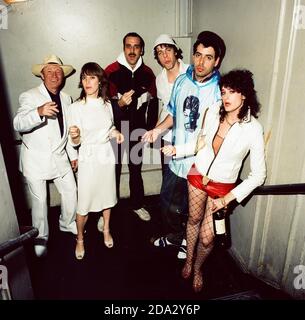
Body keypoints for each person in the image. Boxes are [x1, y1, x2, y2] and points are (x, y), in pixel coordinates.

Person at [162, 69, 267, 292]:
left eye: (233, 92)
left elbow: (258, 175)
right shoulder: (212, 111)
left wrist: (229, 198)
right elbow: (200, 144)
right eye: (223, 91)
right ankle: (188, 261)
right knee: (193, 220)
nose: (226, 97)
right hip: (198, 174)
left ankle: (198, 268)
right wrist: (177, 149)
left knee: (208, 238)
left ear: (245, 95)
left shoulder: (253, 129)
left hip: (222, 188)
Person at [142, 31, 226, 260]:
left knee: (193, 210)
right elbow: (172, 112)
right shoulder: (181, 80)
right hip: (175, 157)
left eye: (208, 57)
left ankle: (187, 242)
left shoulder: (220, 91)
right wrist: (157, 130)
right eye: (198, 55)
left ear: (216, 61)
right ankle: (176, 235)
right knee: (167, 202)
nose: (200, 62)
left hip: (199, 163)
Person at [13, 54, 78, 257]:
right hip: (36, 160)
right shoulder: (29, 96)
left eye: (58, 71)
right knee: (40, 202)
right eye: (49, 71)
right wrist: (39, 112)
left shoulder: (67, 99)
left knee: (71, 191)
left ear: (63, 76)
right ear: (42, 75)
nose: (54, 75)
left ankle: (67, 224)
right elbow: (18, 123)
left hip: (59, 156)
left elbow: (66, 131)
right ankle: (41, 238)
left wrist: (73, 154)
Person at [67, 62, 124, 260]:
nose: (87, 82)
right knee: (84, 204)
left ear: (100, 81)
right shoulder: (75, 107)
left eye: (92, 77)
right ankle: (80, 239)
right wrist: (74, 136)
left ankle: (106, 229)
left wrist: (115, 133)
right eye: (84, 77)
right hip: (88, 158)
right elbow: (75, 141)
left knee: (107, 196)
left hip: (105, 157)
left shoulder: (107, 104)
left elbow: (109, 128)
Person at [104, 32, 158, 222]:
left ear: (141, 49)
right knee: (113, 170)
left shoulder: (148, 73)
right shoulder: (110, 71)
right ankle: (107, 210)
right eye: (129, 46)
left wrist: (151, 130)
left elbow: (153, 103)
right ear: (123, 47)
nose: (132, 50)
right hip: (115, 131)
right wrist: (118, 105)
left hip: (137, 130)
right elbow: (101, 104)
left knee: (135, 170)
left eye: (136, 46)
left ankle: (137, 204)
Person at [153, 34, 189, 173]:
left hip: (187, 136)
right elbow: (164, 106)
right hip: (167, 136)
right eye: (160, 53)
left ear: (175, 51)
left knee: (187, 178)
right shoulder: (159, 79)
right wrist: (157, 128)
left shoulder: (190, 72)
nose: (165, 56)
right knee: (168, 176)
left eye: (168, 50)